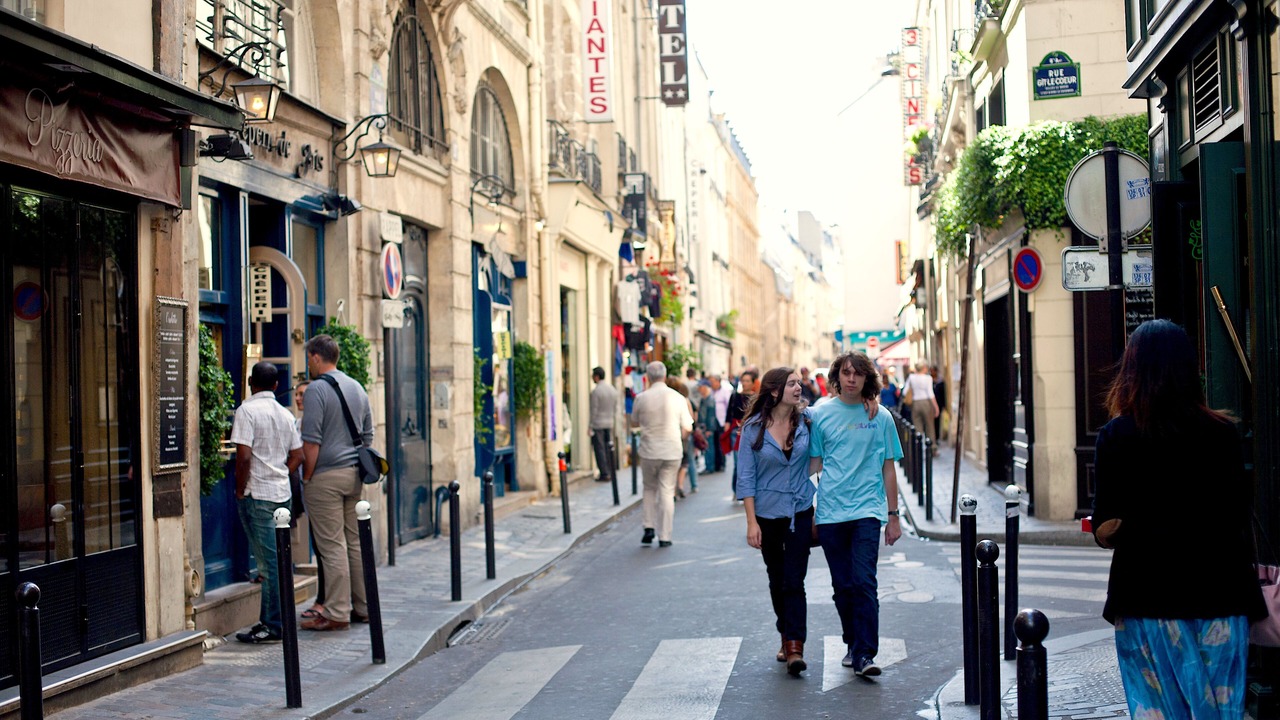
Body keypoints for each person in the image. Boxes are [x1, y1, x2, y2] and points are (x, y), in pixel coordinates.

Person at [1091, 319, 1264, 717]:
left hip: (1147, 597)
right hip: (1221, 595)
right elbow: (1238, 513)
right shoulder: (1221, 433)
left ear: (1132, 369)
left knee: (1156, 710)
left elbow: (1105, 529)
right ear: (1189, 369)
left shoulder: (1117, 437)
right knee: (1221, 711)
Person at [809, 351, 900, 678]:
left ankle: (865, 653)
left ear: (867, 379)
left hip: (867, 511)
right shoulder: (821, 414)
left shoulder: (881, 417)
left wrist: (894, 515)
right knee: (843, 585)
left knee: (864, 582)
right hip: (831, 512)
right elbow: (814, 464)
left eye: (857, 374)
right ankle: (852, 641)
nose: (851, 379)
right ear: (837, 377)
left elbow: (889, 468)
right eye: (846, 373)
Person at [736, 367, 815, 676]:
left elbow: (840, 412)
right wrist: (751, 522)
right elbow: (746, 477)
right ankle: (785, 631)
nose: (799, 387)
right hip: (767, 515)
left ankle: (795, 645)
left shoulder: (808, 420)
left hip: (800, 511)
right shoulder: (753, 428)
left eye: (799, 382)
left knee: (794, 581)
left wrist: (868, 403)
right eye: (792, 383)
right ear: (774, 391)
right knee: (777, 579)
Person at [300, 334, 374, 632]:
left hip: (326, 475)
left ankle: (336, 612)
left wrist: (308, 476)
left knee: (331, 546)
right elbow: (368, 435)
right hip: (353, 473)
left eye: (309, 358)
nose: (309, 364)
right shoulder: (356, 386)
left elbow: (311, 441)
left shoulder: (317, 390)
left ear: (317, 357)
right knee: (354, 542)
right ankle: (364, 606)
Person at [231, 362, 303, 644]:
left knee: (268, 565)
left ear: (250, 382)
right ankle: (280, 619)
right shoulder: (285, 414)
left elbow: (244, 457)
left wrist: (240, 490)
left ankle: (272, 625)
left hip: (258, 495)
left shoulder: (246, 411)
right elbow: (298, 456)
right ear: (275, 385)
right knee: (279, 560)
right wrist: (281, 470)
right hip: (282, 493)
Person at [630, 362, 692, 547]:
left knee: (649, 488)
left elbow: (634, 422)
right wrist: (679, 437)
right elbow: (688, 426)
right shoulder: (678, 397)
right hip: (671, 450)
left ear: (648, 377)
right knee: (666, 490)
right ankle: (665, 535)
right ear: (664, 376)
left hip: (649, 450)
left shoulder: (641, 398)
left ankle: (648, 527)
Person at [293, 381, 327, 622]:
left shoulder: (314, 424)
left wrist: (307, 479)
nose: (298, 398)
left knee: (323, 546)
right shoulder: (294, 423)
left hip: (315, 485)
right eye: (296, 394)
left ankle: (324, 599)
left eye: (303, 394)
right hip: (299, 488)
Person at [727, 367, 760, 495]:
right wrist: (727, 425)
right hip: (736, 430)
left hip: (752, 431)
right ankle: (737, 490)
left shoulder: (756, 398)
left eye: (748, 381)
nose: (745, 383)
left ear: (752, 382)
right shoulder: (735, 396)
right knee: (738, 462)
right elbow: (729, 412)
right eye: (743, 381)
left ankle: (751, 489)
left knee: (753, 462)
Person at [664, 376, 697, 497]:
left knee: (674, 463)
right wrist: (684, 436)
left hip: (669, 436)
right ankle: (681, 486)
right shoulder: (683, 400)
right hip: (682, 436)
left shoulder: (665, 400)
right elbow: (691, 420)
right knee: (685, 462)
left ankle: (673, 490)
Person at [589, 366, 618, 483]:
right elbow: (616, 408)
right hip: (609, 422)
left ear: (596, 376)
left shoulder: (596, 392)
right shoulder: (612, 390)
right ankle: (610, 471)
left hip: (598, 424)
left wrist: (590, 425)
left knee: (599, 449)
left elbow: (594, 410)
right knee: (608, 448)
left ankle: (604, 473)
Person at [904, 362, 940, 455]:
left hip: (915, 403)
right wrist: (936, 407)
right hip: (926, 402)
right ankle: (932, 448)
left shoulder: (911, 378)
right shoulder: (928, 378)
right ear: (924, 368)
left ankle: (918, 449)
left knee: (917, 427)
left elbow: (904, 392)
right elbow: (930, 393)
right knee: (929, 426)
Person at [709, 374, 732, 472]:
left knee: (720, 443)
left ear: (718, 382)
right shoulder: (710, 392)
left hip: (721, 420)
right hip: (712, 421)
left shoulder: (725, 392)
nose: (711, 383)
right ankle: (715, 464)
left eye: (713, 381)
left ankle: (722, 464)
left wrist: (728, 421)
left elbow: (729, 407)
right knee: (714, 443)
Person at [696, 382, 717, 471]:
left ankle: (710, 466)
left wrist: (710, 429)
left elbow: (711, 416)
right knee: (706, 446)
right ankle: (708, 465)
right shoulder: (703, 399)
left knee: (709, 447)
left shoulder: (710, 399)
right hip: (703, 426)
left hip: (707, 427)